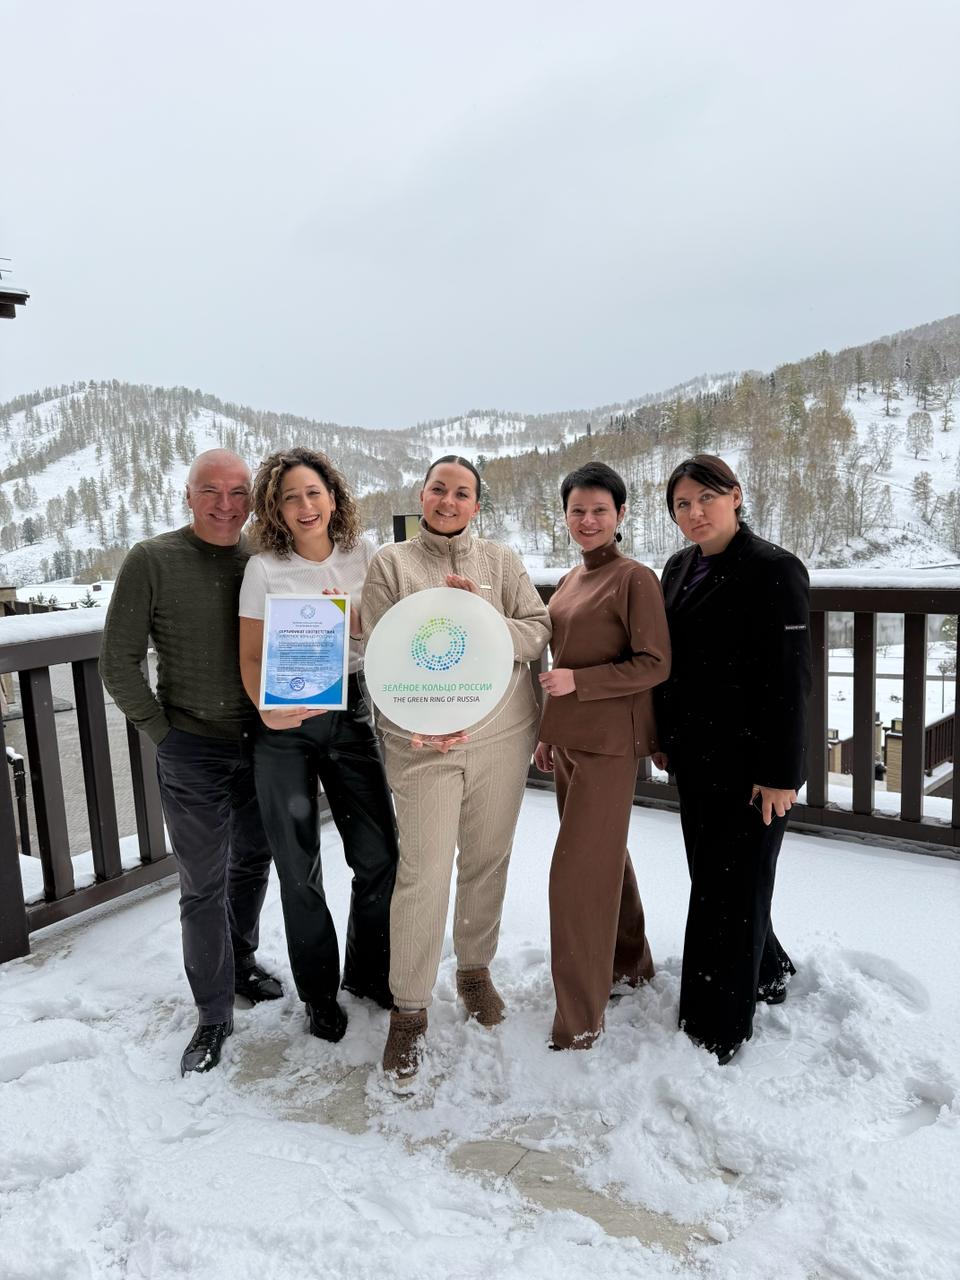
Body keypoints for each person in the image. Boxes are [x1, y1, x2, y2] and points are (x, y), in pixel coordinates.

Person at [362, 455, 551, 1087]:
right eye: (439, 489)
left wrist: (487, 620)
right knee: (423, 871)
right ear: (422, 495)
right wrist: (405, 726)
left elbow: (537, 630)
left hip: (501, 735)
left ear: (477, 504)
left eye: (462, 492)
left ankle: (474, 970)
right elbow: (378, 657)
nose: (448, 500)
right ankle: (409, 1008)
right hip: (424, 746)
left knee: (487, 858)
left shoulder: (501, 561)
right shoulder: (391, 564)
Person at [100, 449, 283, 1077]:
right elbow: (117, 661)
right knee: (202, 882)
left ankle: (241, 961)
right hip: (192, 747)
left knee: (253, 859)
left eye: (238, 492)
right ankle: (212, 1013)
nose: (225, 504)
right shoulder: (152, 560)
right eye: (211, 490)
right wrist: (163, 734)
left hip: (263, 742)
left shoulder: (264, 559)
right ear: (188, 495)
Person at [653, 454, 811, 1065]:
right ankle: (767, 971)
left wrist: (780, 774)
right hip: (696, 757)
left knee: (731, 889)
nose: (694, 512)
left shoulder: (774, 569)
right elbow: (671, 663)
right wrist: (665, 735)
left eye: (706, 498)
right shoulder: (677, 567)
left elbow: (791, 678)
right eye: (682, 504)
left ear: (736, 496)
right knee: (717, 878)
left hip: (752, 766)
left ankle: (715, 1028)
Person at [238, 447, 398, 1044]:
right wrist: (266, 709)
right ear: (275, 509)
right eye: (290, 498)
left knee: (379, 856)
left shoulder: (364, 553)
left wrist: (360, 623)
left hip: (351, 713)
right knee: (298, 867)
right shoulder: (264, 569)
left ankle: (368, 973)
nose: (304, 506)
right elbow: (250, 655)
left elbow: (388, 627)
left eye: (313, 493)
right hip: (283, 726)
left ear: (333, 497)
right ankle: (319, 994)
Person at [534, 462, 670, 1049]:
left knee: (575, 878)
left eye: (599, 511)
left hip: (609, 746)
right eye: (577, 511)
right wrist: (549, 731)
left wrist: (579, 684)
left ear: (620, 514)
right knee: (604, 859)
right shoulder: (571, 578)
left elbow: (654, 663)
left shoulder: (634, 578)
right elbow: (561, 659)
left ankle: (578, 1022)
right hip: (569, 740)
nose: (587, 521)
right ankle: (630, 964)